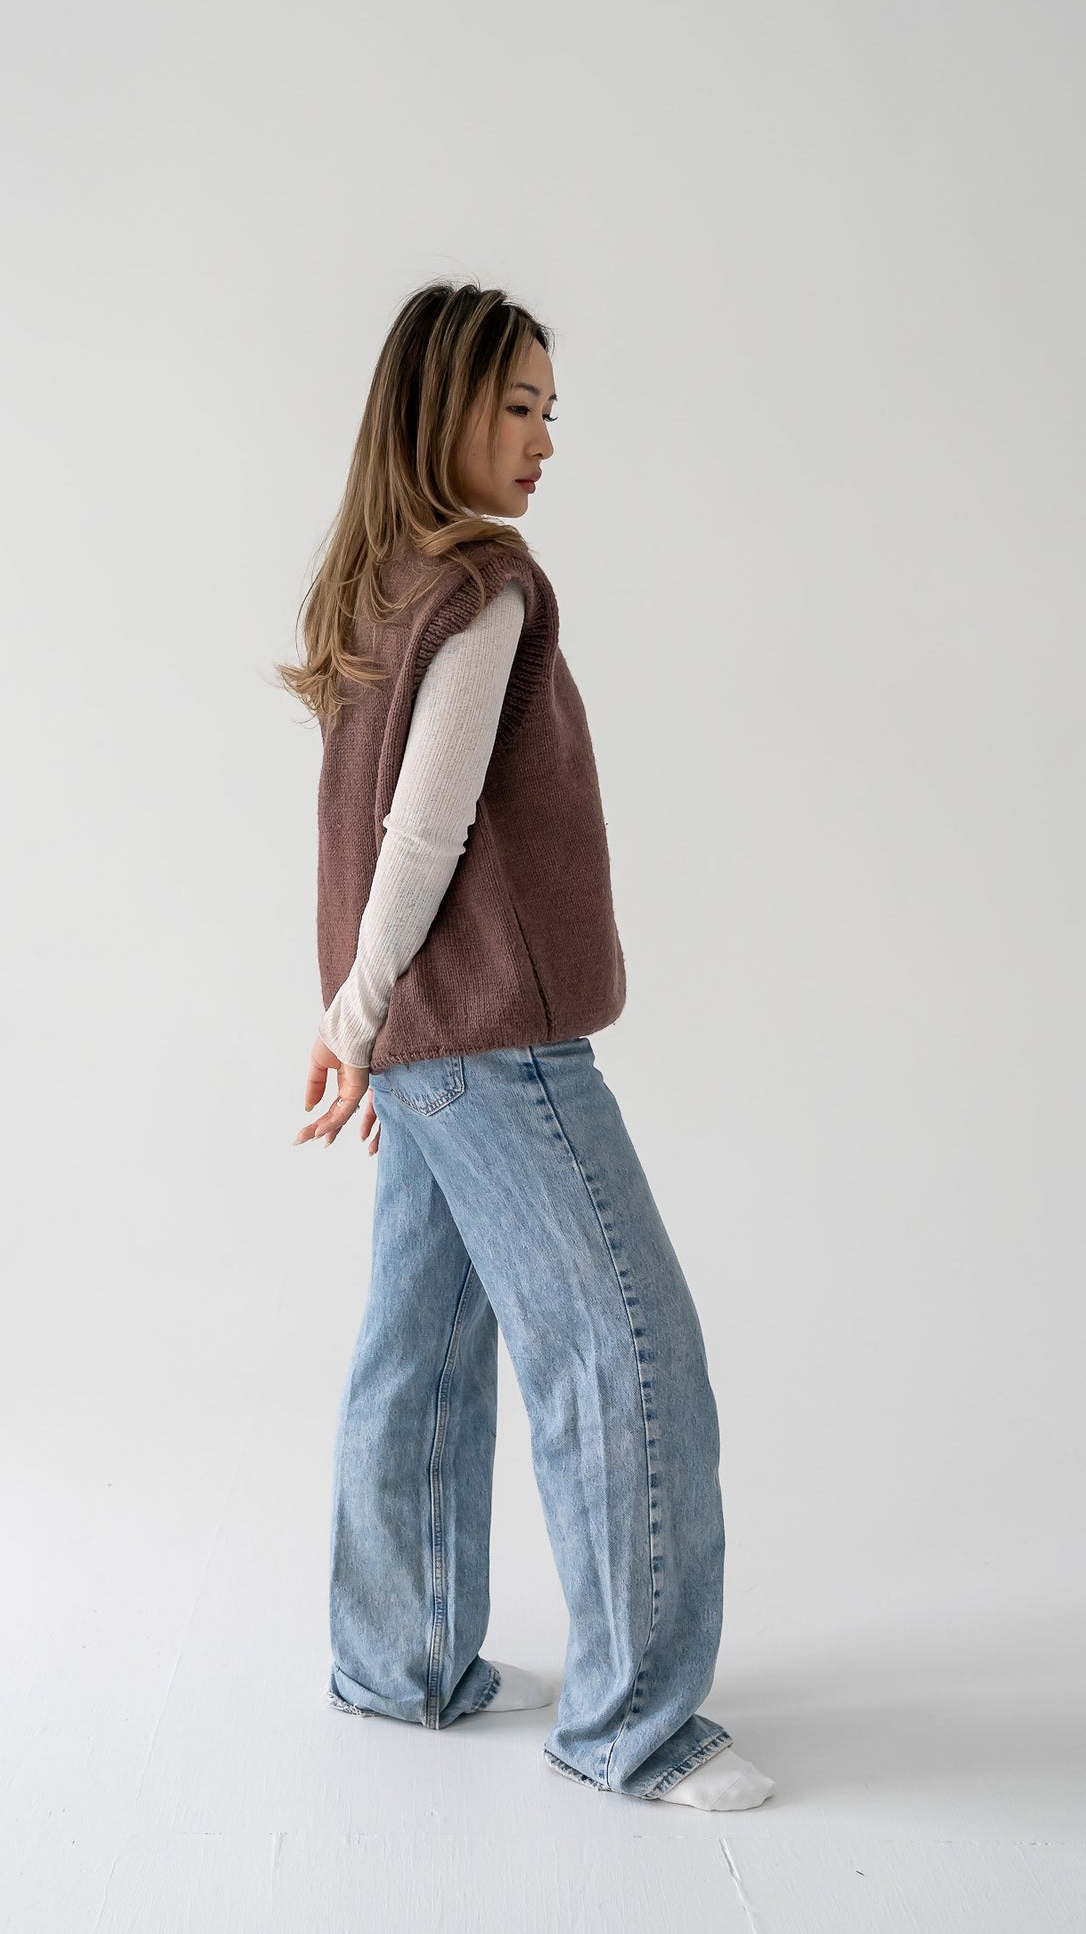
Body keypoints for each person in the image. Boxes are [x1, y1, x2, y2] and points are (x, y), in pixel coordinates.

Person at [276, 280, 774, 1811]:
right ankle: (634, 1723)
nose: (546, 435)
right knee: (627, 1349)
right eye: (517, 404)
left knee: (420, 1344)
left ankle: (401, 1659)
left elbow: (375, 839)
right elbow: (418, 836)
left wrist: (368, 1031)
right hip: (491, 1038)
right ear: (442, 410)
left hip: (427, 1037)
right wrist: (366, 1029)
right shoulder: (482, 585)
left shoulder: (381, 583)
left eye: (553, 406)